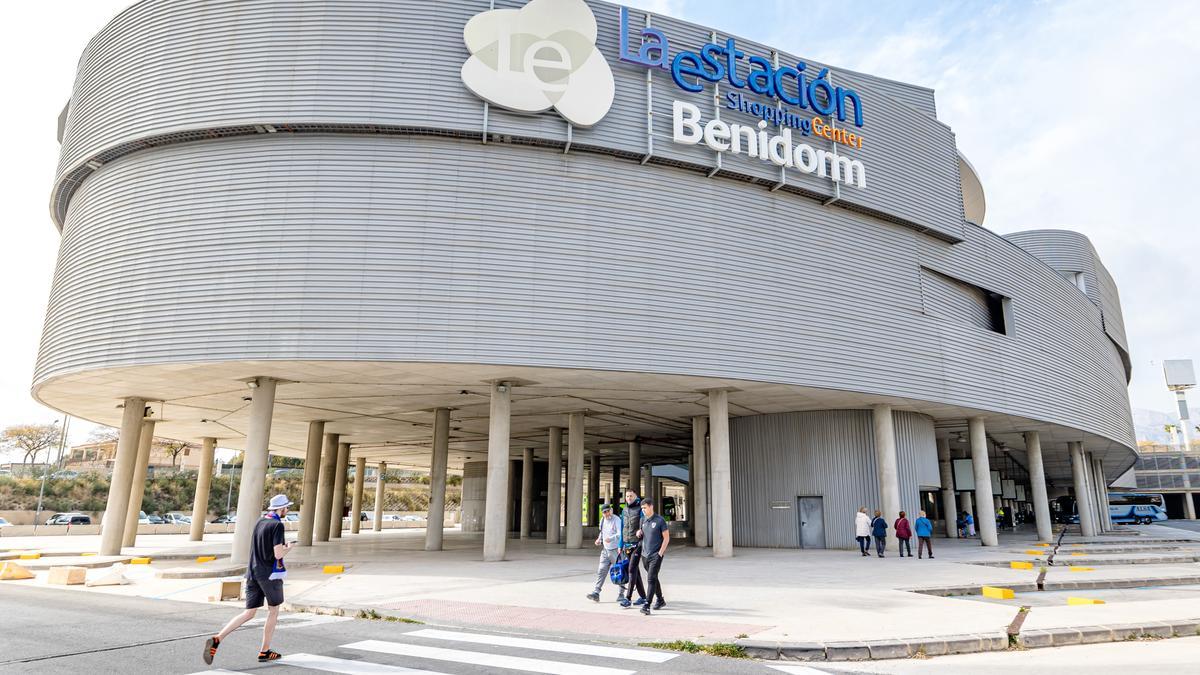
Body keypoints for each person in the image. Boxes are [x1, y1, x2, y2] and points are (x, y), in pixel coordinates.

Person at [204, 494, 294, 665]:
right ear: (281, 509)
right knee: (273, 611)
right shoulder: (277, 525)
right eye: (287, 507)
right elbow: (278, 554)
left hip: (252, 572)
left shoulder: (260, 522)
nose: (287, 510)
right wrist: (289, 548)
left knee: (249, 613)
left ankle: (218, 638)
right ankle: (264, 651)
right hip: (269, 574)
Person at [636, 499, 669, 615]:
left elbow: (666, 538)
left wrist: (660, 553)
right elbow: (642, 533)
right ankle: (660, 600)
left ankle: (647, 605)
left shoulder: (660, 521)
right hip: (645, 555)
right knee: (653, 578)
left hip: (656, 555)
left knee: (650, 579)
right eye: (642, 508)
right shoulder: (642, 520)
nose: (643, 510)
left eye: (645, 508)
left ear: (651, 506)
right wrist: (638, 533)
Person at [618, 488, 647, 608]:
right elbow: (622, 528)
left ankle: (628, 598)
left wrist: (642, 532)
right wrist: (620, 545)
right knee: (635, 571)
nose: (629, 498)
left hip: (637, 544)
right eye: (627, 496)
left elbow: (645, 524)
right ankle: (643, 597)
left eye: (631, 496)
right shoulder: (624, 510)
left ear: (636, 497)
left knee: (631, 569)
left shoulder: (641, 509)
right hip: (626, 544)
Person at [587, 503, 621, 602]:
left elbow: (620, 533)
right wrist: (599, 540)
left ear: (611, 510)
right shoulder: (602, 521)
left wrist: (611, 538)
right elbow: (602, 532)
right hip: (605, 551)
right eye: (604, 512)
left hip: (615, 550)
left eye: (608, 511)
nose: (607, 514)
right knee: (601, 571)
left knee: (619, 572)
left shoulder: (616, 519)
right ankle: (596, 592)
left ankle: (621, 594)